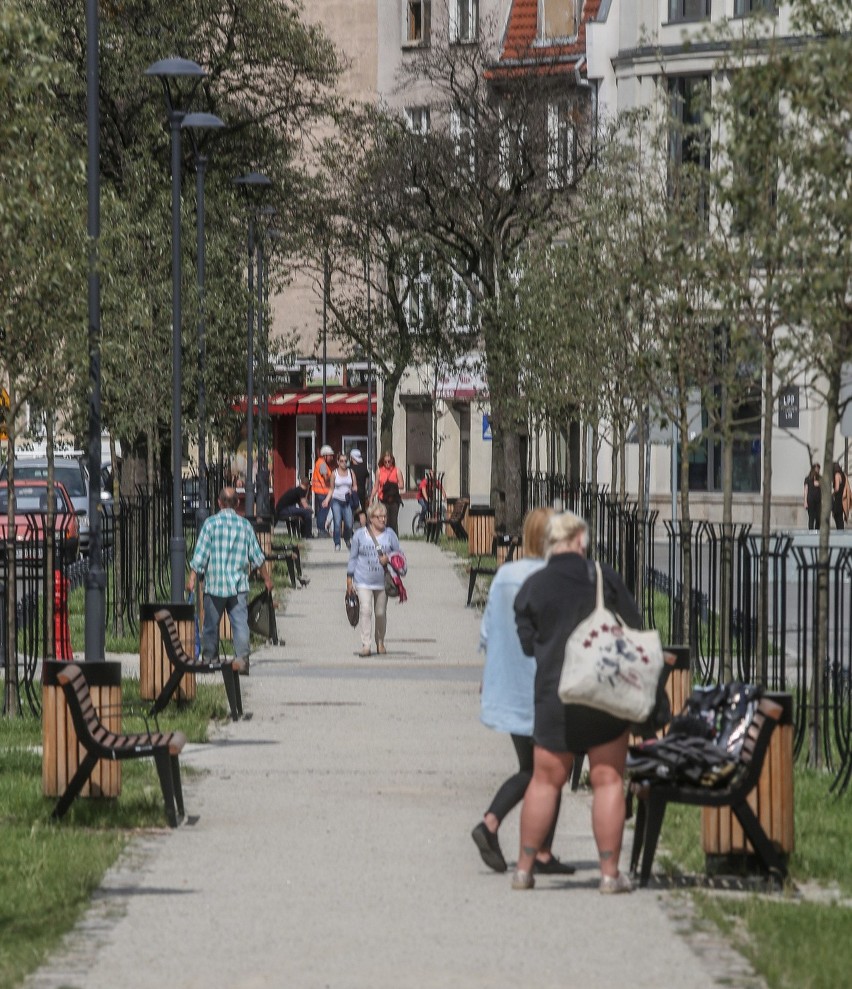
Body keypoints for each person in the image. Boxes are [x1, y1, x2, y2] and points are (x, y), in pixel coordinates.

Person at [511, 510, 642, 893]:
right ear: (581, 541)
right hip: (602, 694)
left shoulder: (533, 586)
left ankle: (523, 869)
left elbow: (526, 643)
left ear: (550, 544)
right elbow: (633, 626)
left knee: (544, 782)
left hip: (555, 694)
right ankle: (608, 875)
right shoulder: (602, 576)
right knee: (608, 781)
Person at [471, 507, 575, 878]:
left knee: (535, 768)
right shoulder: (553, 580)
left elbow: (488, 630)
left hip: (511, 683)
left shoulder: (506, 575)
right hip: (545, 684)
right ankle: (493, 824)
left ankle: (540, 848)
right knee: (549, 769)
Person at [187, 486, 274, 676]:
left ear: (219, 503)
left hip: (215, 584)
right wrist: (267, 579)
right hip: (238, 586)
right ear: (237, 503)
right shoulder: (245, 526)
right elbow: (257, 557)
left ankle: (210, 658)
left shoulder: (210, 524)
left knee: (211, 624)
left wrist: (192, 577)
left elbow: (201, 555)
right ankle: (242, 660)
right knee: (240, 623)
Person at [345, 501, 401, 657]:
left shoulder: (390, 534)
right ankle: (366, 644)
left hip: (382, 581)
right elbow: (353, 557)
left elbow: (399, 555)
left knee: (380, 613)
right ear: (371, 518)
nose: (383, 519)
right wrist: (349, 579)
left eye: (384, 516)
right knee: (365, 610)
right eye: (379, 517)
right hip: (362, 579)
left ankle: (380, 641)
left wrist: (388, 558)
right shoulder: (359, 535)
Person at [323, 453, 356, 552]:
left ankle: (347, 539)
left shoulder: (351, 472)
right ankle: (337, 543)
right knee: (337, 523)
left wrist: (352, 491)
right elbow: (331, 488)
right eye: (341, 461)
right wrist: (327, 500)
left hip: (347, 500)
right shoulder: (334, 473)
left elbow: (355, 486)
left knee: (349, 523)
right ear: (338, 462)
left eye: (345, 461)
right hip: (336, 500)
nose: (344, 463)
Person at [371, 450, 405, 534]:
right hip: (383, 499)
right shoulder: (379, 471)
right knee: (384, 521)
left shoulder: (397, 471)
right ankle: (384, 540)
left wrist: (392, 485)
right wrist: (371, 498)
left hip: (394, 499)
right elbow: (376, 486)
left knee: (393, 522)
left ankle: (394, 541)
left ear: (392, 461)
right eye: (385, 461)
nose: (387, 463)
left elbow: (401, 485)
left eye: (389, 461)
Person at [311, 445, 335, 536]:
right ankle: (321, 530)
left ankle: (322, 529)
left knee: (323, 510)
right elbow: (326, 478)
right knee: (323, 511)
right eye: (330, 455)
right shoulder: (322, 464)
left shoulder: (321, 463)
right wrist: (333, 477)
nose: (331, 457)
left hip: (322, 492)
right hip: (323, 492)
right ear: (325, 455)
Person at [349, 449, 370, 527]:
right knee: (362, 511)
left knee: (349, 511)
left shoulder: (349, 469)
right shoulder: (364, 468)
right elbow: (367, 481)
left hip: (351, 492)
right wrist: (366, 491)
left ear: (352, 457)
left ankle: (348, 530)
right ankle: (364, 529)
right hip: (361, 491)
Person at [803, 463, 821, 531]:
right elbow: (806, 489)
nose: (817, 471)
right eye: (816, 469)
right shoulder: (808, 479)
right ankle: (811, 531)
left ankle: (817, 530)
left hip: (818, 500)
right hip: (810, 500)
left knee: (818, 518)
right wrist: (805, 501)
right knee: (811, 517)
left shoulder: (820, 479)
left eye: (818, 469)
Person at [833, 462, 847, 530]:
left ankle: (839, 529)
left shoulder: (837, 475)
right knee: (840, 515)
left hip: (838, 497)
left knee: (836, 514)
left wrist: (832, 493)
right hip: (842, 497)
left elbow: (837, 488)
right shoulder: (843, 475)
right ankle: (841, 529)